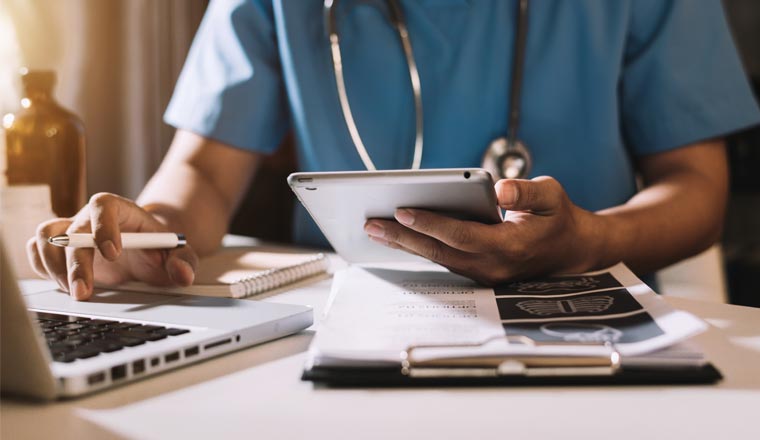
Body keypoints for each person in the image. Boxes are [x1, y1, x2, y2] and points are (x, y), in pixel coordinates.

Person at [27, 0, 760, 300]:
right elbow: (203, 174)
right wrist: (149, 229)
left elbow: (697, 186)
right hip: (351, 324)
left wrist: (588, 240)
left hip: (580, 316)